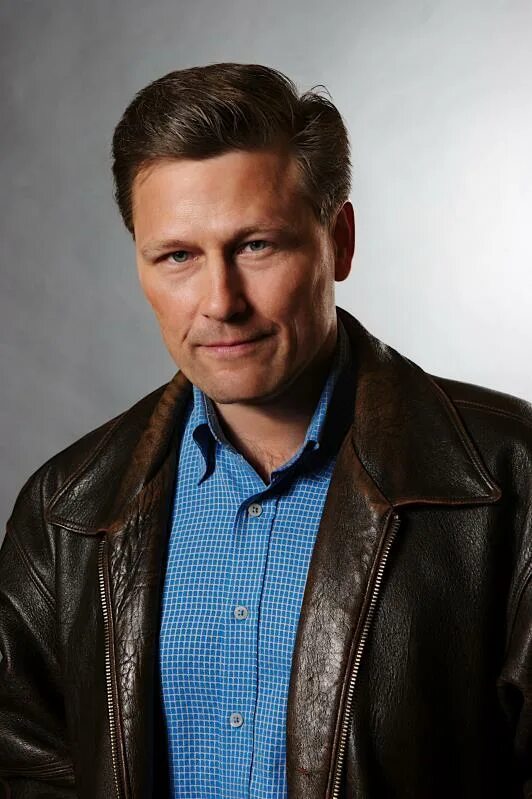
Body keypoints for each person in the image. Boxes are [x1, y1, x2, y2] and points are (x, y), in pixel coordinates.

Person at [0, 62, 531, 799]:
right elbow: (27, 765)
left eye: (256, 246)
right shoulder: (66, 506)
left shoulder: (511, 478)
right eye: (178, 256)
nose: (221, 301)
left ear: (339, 241)